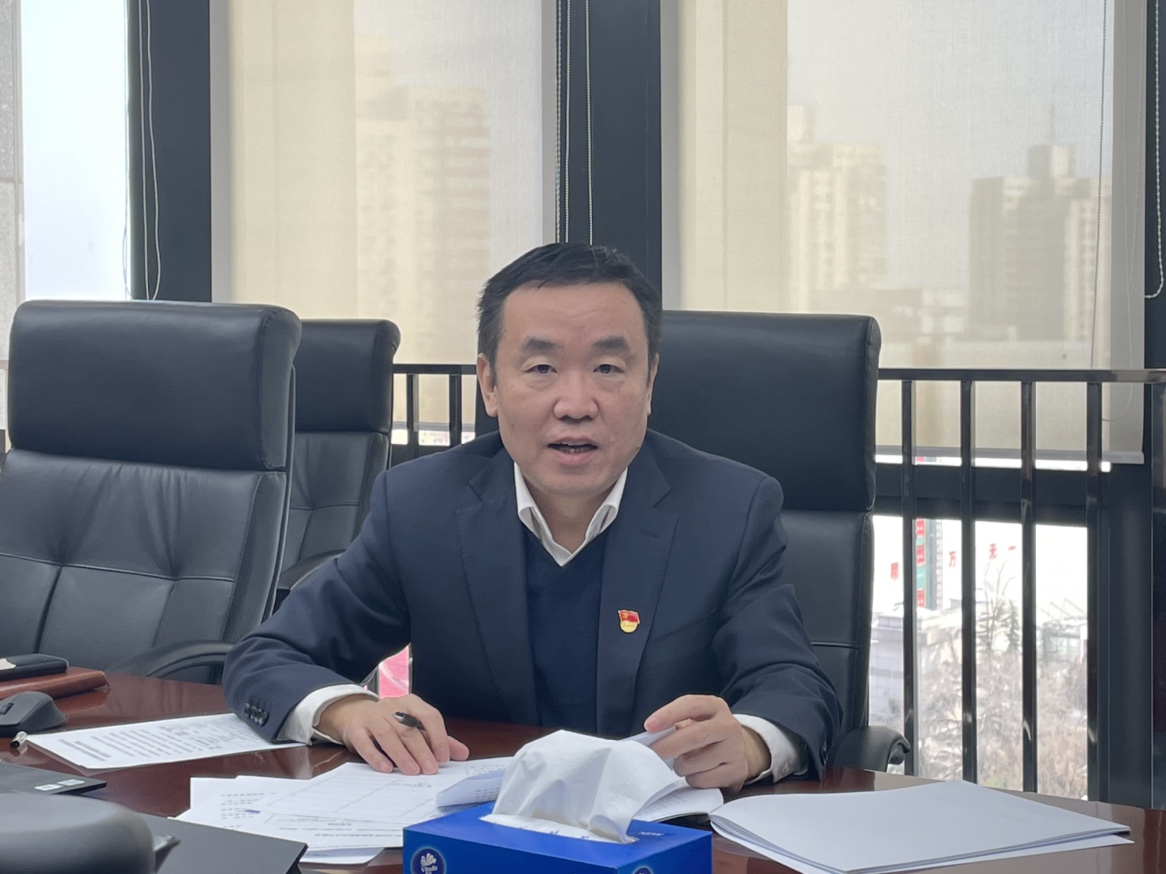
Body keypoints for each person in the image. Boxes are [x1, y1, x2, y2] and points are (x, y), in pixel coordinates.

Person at [224, 243, 840, 791]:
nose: (575, 404)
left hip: (659, 839)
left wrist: (752, 743)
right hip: (478, 836)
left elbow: (795, 687)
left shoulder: (728, 509)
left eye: (607, 368)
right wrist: (346, 710)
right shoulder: (421, 505)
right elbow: (268, 656)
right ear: (490, 385)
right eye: (542, 368)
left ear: (650, 382)